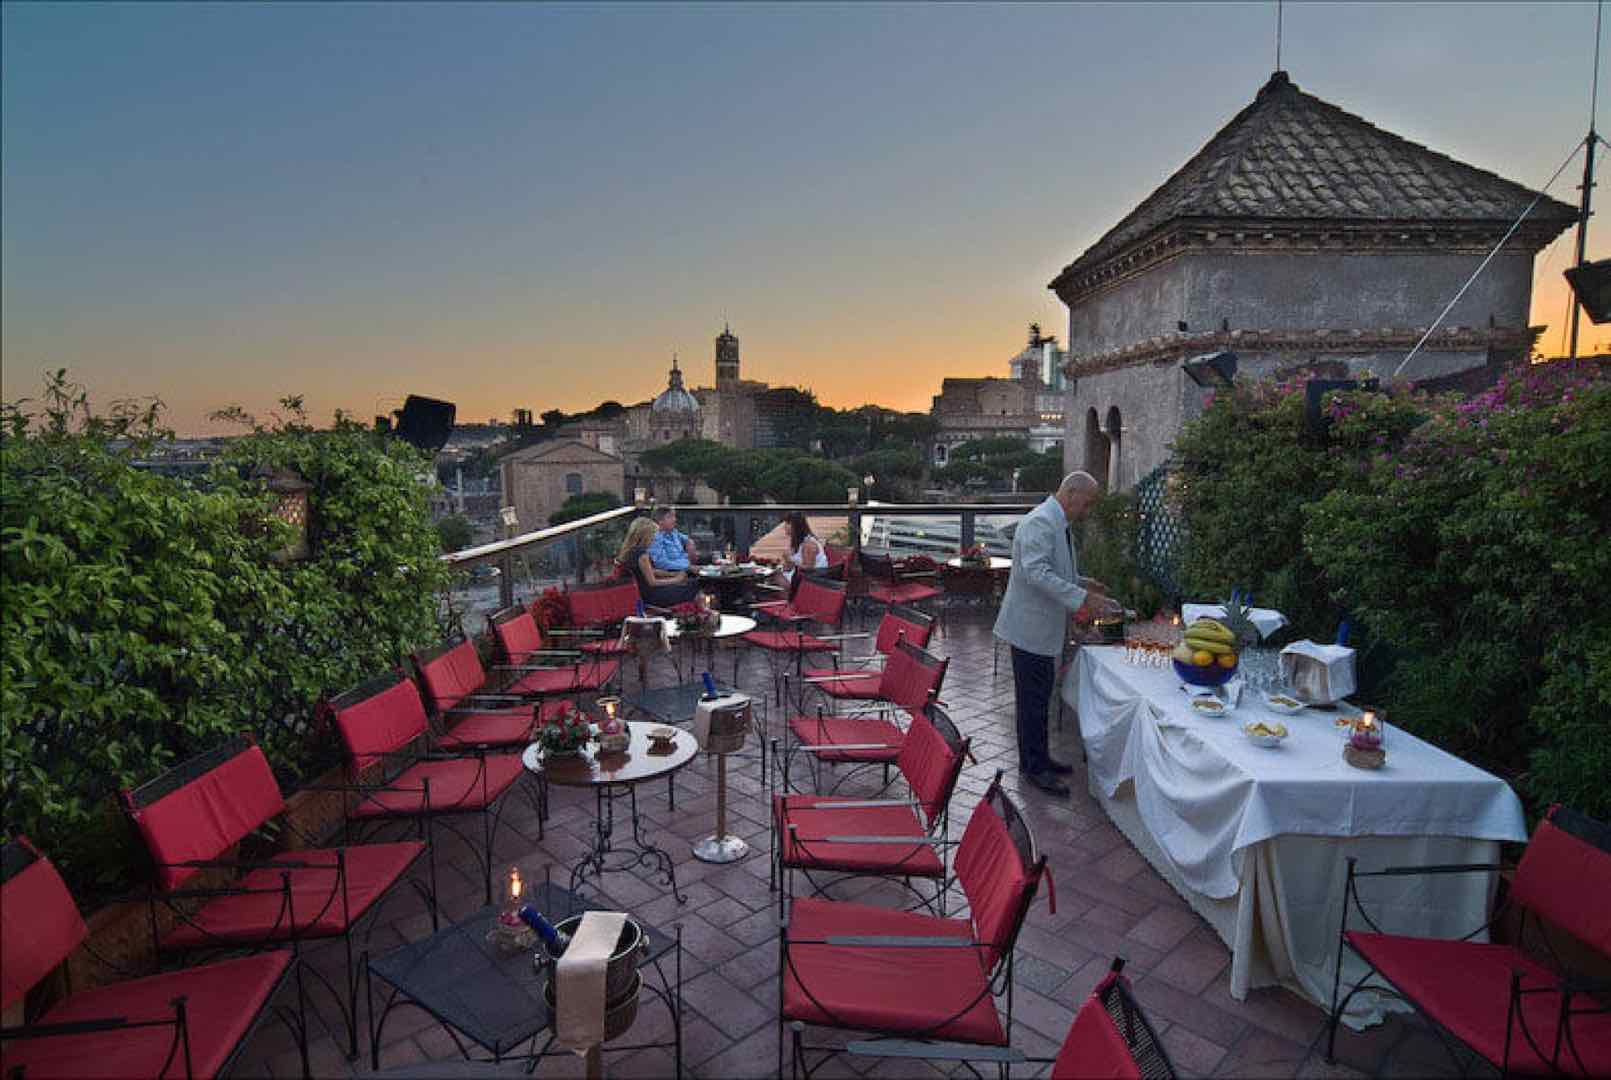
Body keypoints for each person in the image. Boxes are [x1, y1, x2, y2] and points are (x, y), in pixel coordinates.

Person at [993, 471, 1117, 797]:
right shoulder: (1040, 523)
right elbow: (1036, 572)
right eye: (1086, 504)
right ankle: (1033, 767)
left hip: (1041, 628)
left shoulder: (1057, 524)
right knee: (1032, 702)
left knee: (1040, 698)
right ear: (1072, 493)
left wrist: (1083, 582)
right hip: (1028, 628)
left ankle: (1040, 757)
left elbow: (1057, 571)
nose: (1086, 511)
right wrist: (1083, 598)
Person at [619, 517, 699, 608]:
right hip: (653, 596)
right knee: (694, 585)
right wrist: (677, 580)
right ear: (646, 535)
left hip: (644, 593)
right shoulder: (642, 555)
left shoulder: (630, 552)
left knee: (689, 582)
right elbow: (652, 582)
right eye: (654, 535)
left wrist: (672, 574)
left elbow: (650, 571)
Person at [772, 512, 828, 587]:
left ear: (796, 526)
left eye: (788, 523)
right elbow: (789, 567)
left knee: (772, 577)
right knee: (772, 574)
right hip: (798, 575)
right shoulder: (797, 541)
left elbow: (809, 569)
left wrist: (790, 561)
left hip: (810, 580)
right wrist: (786, 562)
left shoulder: (809, 544)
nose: (784, 527)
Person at [648, 506, 699, 572]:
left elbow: (687, 540)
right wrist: (688, 567)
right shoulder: (655, 538)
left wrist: (690, 543)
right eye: (670, 517)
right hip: (673, 574)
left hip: (688, 568)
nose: (674, 519)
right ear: (660, 521)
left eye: (674, 517)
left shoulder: (673, 532)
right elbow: (661, 564)